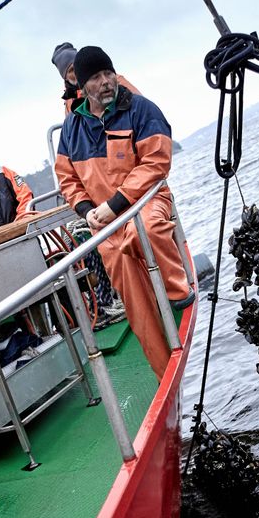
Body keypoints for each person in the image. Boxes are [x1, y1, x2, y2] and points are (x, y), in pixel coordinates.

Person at [54, 46, 193, 378]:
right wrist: (87, 210)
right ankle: (166, 377)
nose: (105, 82)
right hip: (106, 227)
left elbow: (157, 161)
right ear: (82, 87)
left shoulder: (140, 108)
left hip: (147, 201)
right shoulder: (72, 127)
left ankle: (178, 292)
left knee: (146, 228)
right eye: (96, 77)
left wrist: (115, 204)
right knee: (137, 310)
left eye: (108, 74)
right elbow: (66, 178)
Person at [52, 41, 140, 115]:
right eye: (71, 70)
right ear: (65, 77)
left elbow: (140, 104)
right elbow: (70, 130)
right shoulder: (69, 101)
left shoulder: (114, 80)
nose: (76, 71)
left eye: (77, 65)